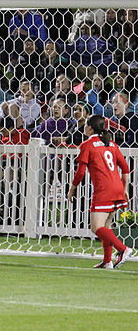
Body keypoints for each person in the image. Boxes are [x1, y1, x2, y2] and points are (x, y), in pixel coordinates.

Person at [67, 114, 133, 269]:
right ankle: (107, 261)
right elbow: (125, 168)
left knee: (96, 227)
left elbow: (80, 172)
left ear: (90, 128)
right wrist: (124, 188)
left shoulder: (87, 144)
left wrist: (72, 189)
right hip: (116, 188)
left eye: (85, 124)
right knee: (107, 226)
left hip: (103, 190)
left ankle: (123, 249)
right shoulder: (112, 144)